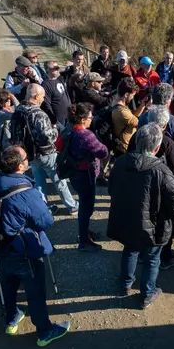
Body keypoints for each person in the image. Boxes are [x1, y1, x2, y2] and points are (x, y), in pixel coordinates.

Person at [0, 146, 71, 346]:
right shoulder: (25, 192)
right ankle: (44, 331)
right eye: (26, 158)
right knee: (35, 291)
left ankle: (11, 319)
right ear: (19, 166)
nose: (28, 159)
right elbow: (45, 222)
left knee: (8, 285)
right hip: (24, 249)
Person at [107, 124, 174, 309]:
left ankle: (125, 283)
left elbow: (111, 190)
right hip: (154, 225)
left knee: (130, 249)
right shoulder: (162, 171)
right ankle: (147, 294)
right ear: (156, 148)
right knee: (151, 259)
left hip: (126, 219)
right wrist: (170, 219)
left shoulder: (120, 163)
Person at [128, 108, 174, 269]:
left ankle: (141, 254)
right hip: (160, 189)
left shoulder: (137, 136)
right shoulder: (167, 142)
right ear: (165, 124)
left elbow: (129, 156)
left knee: (141, 220)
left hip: (138, 185)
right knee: (161, 226)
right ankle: (165, 257)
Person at [12, 84, 78, 214]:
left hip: (29, 154)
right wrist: (54, 130)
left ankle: (43, 207)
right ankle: (72, 206)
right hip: (46, 153)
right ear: (36, 96)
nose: (43, 99)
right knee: (59, 180)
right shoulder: (39, 114)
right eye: (42, 96)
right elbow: (47, 137)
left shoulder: (19, 110)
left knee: (39, 181)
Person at [68, 103, 109, 253]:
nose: (92, 120)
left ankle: (84, 232)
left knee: (83, 205)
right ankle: (84, 241)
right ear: (83, 119)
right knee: (86, 208)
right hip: (86, 175)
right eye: (90, 117)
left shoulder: (68, 130)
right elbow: (103, 152)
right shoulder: (86, 135)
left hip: (74, 173)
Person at [137, 83, 174, 155]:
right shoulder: (173, 121)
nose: (172, 100)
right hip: (169, 158)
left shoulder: (143, 117)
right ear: (167, 101)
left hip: (146, 156)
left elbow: (138, 139)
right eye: (171, 98)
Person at [112, 77, 149, 159]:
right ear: (126, 95)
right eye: (132, 95)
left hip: (124, 145)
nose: (132, 98)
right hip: (124, 148)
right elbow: (139, 123)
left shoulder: (118, 105)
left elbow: (133, 115)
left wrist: (143, 105)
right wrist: (147, 109)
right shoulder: (122, 111)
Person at [41, 60, 73, 126]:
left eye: (58, 67)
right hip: (58, 119)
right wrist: (53, 119)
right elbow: (46, 103)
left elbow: (71, 72)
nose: (58, 69)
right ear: (48, 70)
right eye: (55, 68)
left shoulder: (60, 79)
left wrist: (72, 65)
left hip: (68, 115)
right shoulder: (45, 85)